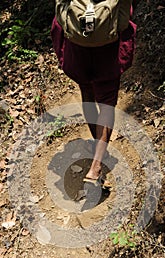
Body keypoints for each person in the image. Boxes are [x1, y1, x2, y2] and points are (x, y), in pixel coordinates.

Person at [51, 1, 137, 186]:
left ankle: (99, 148)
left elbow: (60, 15)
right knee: (106, 103)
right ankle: (96, 166)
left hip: (78, 48)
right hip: (108, 49)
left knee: (87, 93)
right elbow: (124, 18)